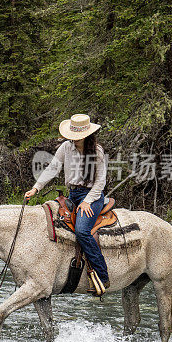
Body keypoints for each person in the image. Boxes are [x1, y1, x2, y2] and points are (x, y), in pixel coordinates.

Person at [24, 114, 110, 291]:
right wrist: (36, 188)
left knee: (82, 230)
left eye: (76, 136)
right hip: (73, 194)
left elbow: (100, 182)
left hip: (92, 195)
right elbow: (53, 168)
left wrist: (87, 202)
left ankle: (102, 275)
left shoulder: (97, 152)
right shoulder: (66, 147)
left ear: (86, 135)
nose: (73, 139)